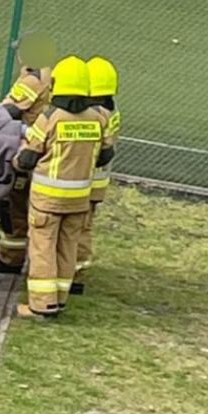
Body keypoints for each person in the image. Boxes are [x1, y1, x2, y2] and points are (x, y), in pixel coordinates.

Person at [13, 55, 114, 319]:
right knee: (67, 247)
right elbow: (105, 155)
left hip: (47, 200)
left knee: (43, 247)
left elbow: (27, 158)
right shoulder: (98, 118)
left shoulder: (51, 118)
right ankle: (60, 298)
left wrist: (19, 159)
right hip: (79, 199)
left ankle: (41, 305)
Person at [0, 30, 56, 274]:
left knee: (13, 203)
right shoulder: (48, 75)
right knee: (4, 201)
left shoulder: (34, 79)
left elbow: (10, 110)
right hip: (31, 142)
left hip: (25, 144)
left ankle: (10, 258)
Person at [72, 56, 120, 295]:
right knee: (83, 228)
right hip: (97, 182)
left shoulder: (96, 115)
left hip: (85, 180)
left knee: (78, 230)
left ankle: (74, 274)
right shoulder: (111, 111)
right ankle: (76, 272)